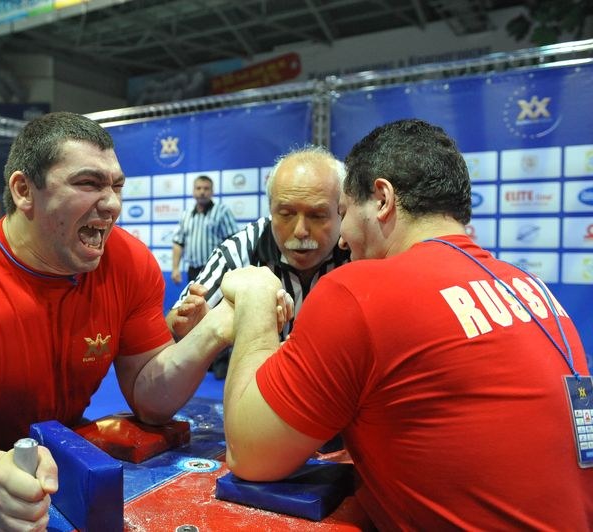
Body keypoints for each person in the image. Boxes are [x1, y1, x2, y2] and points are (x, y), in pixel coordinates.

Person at [0, 112, 242, 530]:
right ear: (23, 191)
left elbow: (151, 399)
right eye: (88, 183)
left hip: (58, 491)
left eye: (116, 186)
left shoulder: (129, 263)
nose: (112, 204)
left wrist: (213, 332)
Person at [219, 119, 593, 529]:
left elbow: (249, 454)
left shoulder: (359, 291)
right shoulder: (534, 290)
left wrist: (256, 295)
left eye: (343, 212)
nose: (342, 238)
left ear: (382, 199)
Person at [166, 146, 349, 378]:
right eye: (286, 214)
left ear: (342, 211)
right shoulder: (241, 249)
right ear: (271, 209)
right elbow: (173, 325)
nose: (300, 231)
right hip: (262, 389)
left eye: (317, 215)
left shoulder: (361, 247)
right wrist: (194, 328)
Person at [170, 175, 238, 284]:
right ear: (193, 191)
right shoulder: (186, 214)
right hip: (192, 271)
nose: (202, 192)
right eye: (198, 188)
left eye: (206, 188)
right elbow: (178, 242)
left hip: (216, 270)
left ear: (212, 192)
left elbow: (234, 242)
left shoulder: (222, 211)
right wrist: (175, 268)